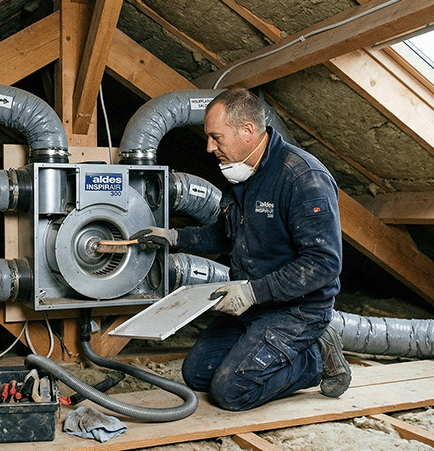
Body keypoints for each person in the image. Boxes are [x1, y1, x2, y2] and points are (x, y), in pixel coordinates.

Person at [131, 88, 350, 411]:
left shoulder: (303, 178)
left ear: (247, 131)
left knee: (232, 392)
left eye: (216, 137)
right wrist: (175, 237)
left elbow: (323, 264)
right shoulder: (241, 171)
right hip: (253, 304)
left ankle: (314, 358)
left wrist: (252, 292)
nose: (209, 147)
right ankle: (287, 351)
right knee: (197, 374)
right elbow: (227, 235)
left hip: (296, 310)